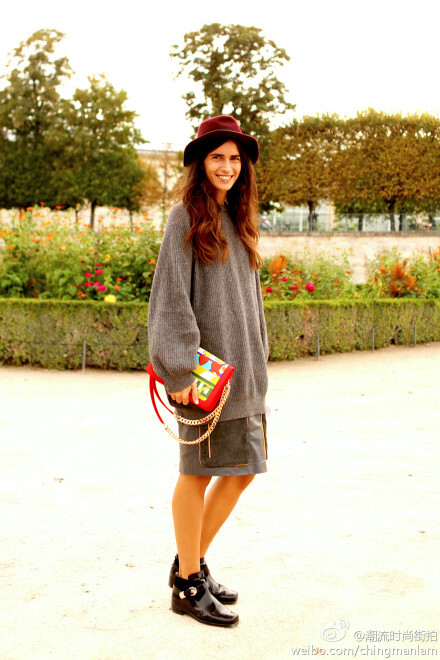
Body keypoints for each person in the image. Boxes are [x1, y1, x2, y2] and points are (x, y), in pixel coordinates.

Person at [148, 115, 269, 628]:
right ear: (201, 163)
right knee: (196, 473)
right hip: (203, 374)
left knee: (241, 473)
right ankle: (188, 584)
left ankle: (188, 566)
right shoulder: (184, 218)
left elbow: (248, 302)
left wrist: (260, 359)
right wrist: (179, 369)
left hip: (243, 373)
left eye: (235, 158)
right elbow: (170, 298)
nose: (227, 166)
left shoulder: (237, 218)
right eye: (217, 157)